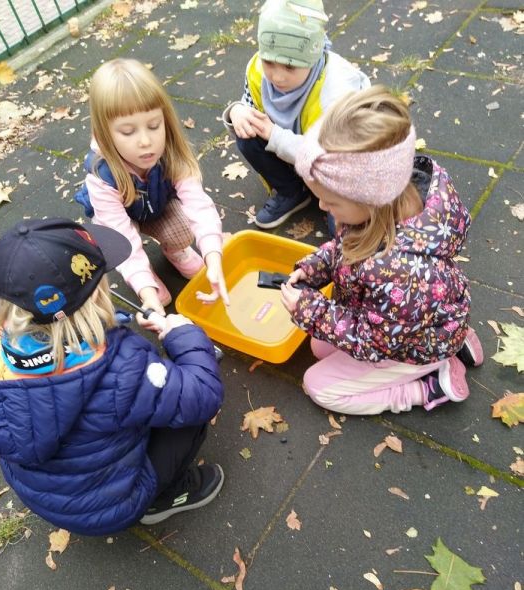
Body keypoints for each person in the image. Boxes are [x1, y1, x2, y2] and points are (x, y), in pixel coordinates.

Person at [0, 217, 224, 535]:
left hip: (50, 496)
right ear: (93, 299)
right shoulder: (123, 368)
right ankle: (166, 497)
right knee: (186, 415)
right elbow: (203, 394)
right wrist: (184, 336)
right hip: (112, 506)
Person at [280, 86, 484, 415]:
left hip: (406, 345)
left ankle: (430, 385)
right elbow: (345, 247)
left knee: (318, 385)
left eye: (330, 201)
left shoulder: (403, 272)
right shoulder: (383, 209)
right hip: (418, 321)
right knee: (320, 346)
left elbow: (376, 343)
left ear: (371, 198)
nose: (321, 207)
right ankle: (455, 343)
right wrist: (314, 268)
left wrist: (314, 313)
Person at [75, 58, 229, 321]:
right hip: (118, 220)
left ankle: (175, 250)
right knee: (121, 246)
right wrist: (146, 291)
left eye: (154, 125)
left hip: (155, 205)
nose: (146, 141)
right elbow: (122, 238)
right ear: (104, 134)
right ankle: (147, 277)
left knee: (183, 229)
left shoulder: (170, 152)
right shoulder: (102, 178)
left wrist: (213, 258)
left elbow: (198, 205)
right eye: (128, 132)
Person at [222, 0, 370, 231]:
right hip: (296, 154)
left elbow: (330, 158)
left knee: (344, 232)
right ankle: (292, 191)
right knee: (247, 133)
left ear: (313, 57)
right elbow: (249, 104)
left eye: (290, 67)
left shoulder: (337, 91)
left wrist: (274, 135)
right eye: (269, 62)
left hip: (340, 169)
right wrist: (237, 111)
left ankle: (331, 200)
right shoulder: (258, 70)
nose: (277, 76)